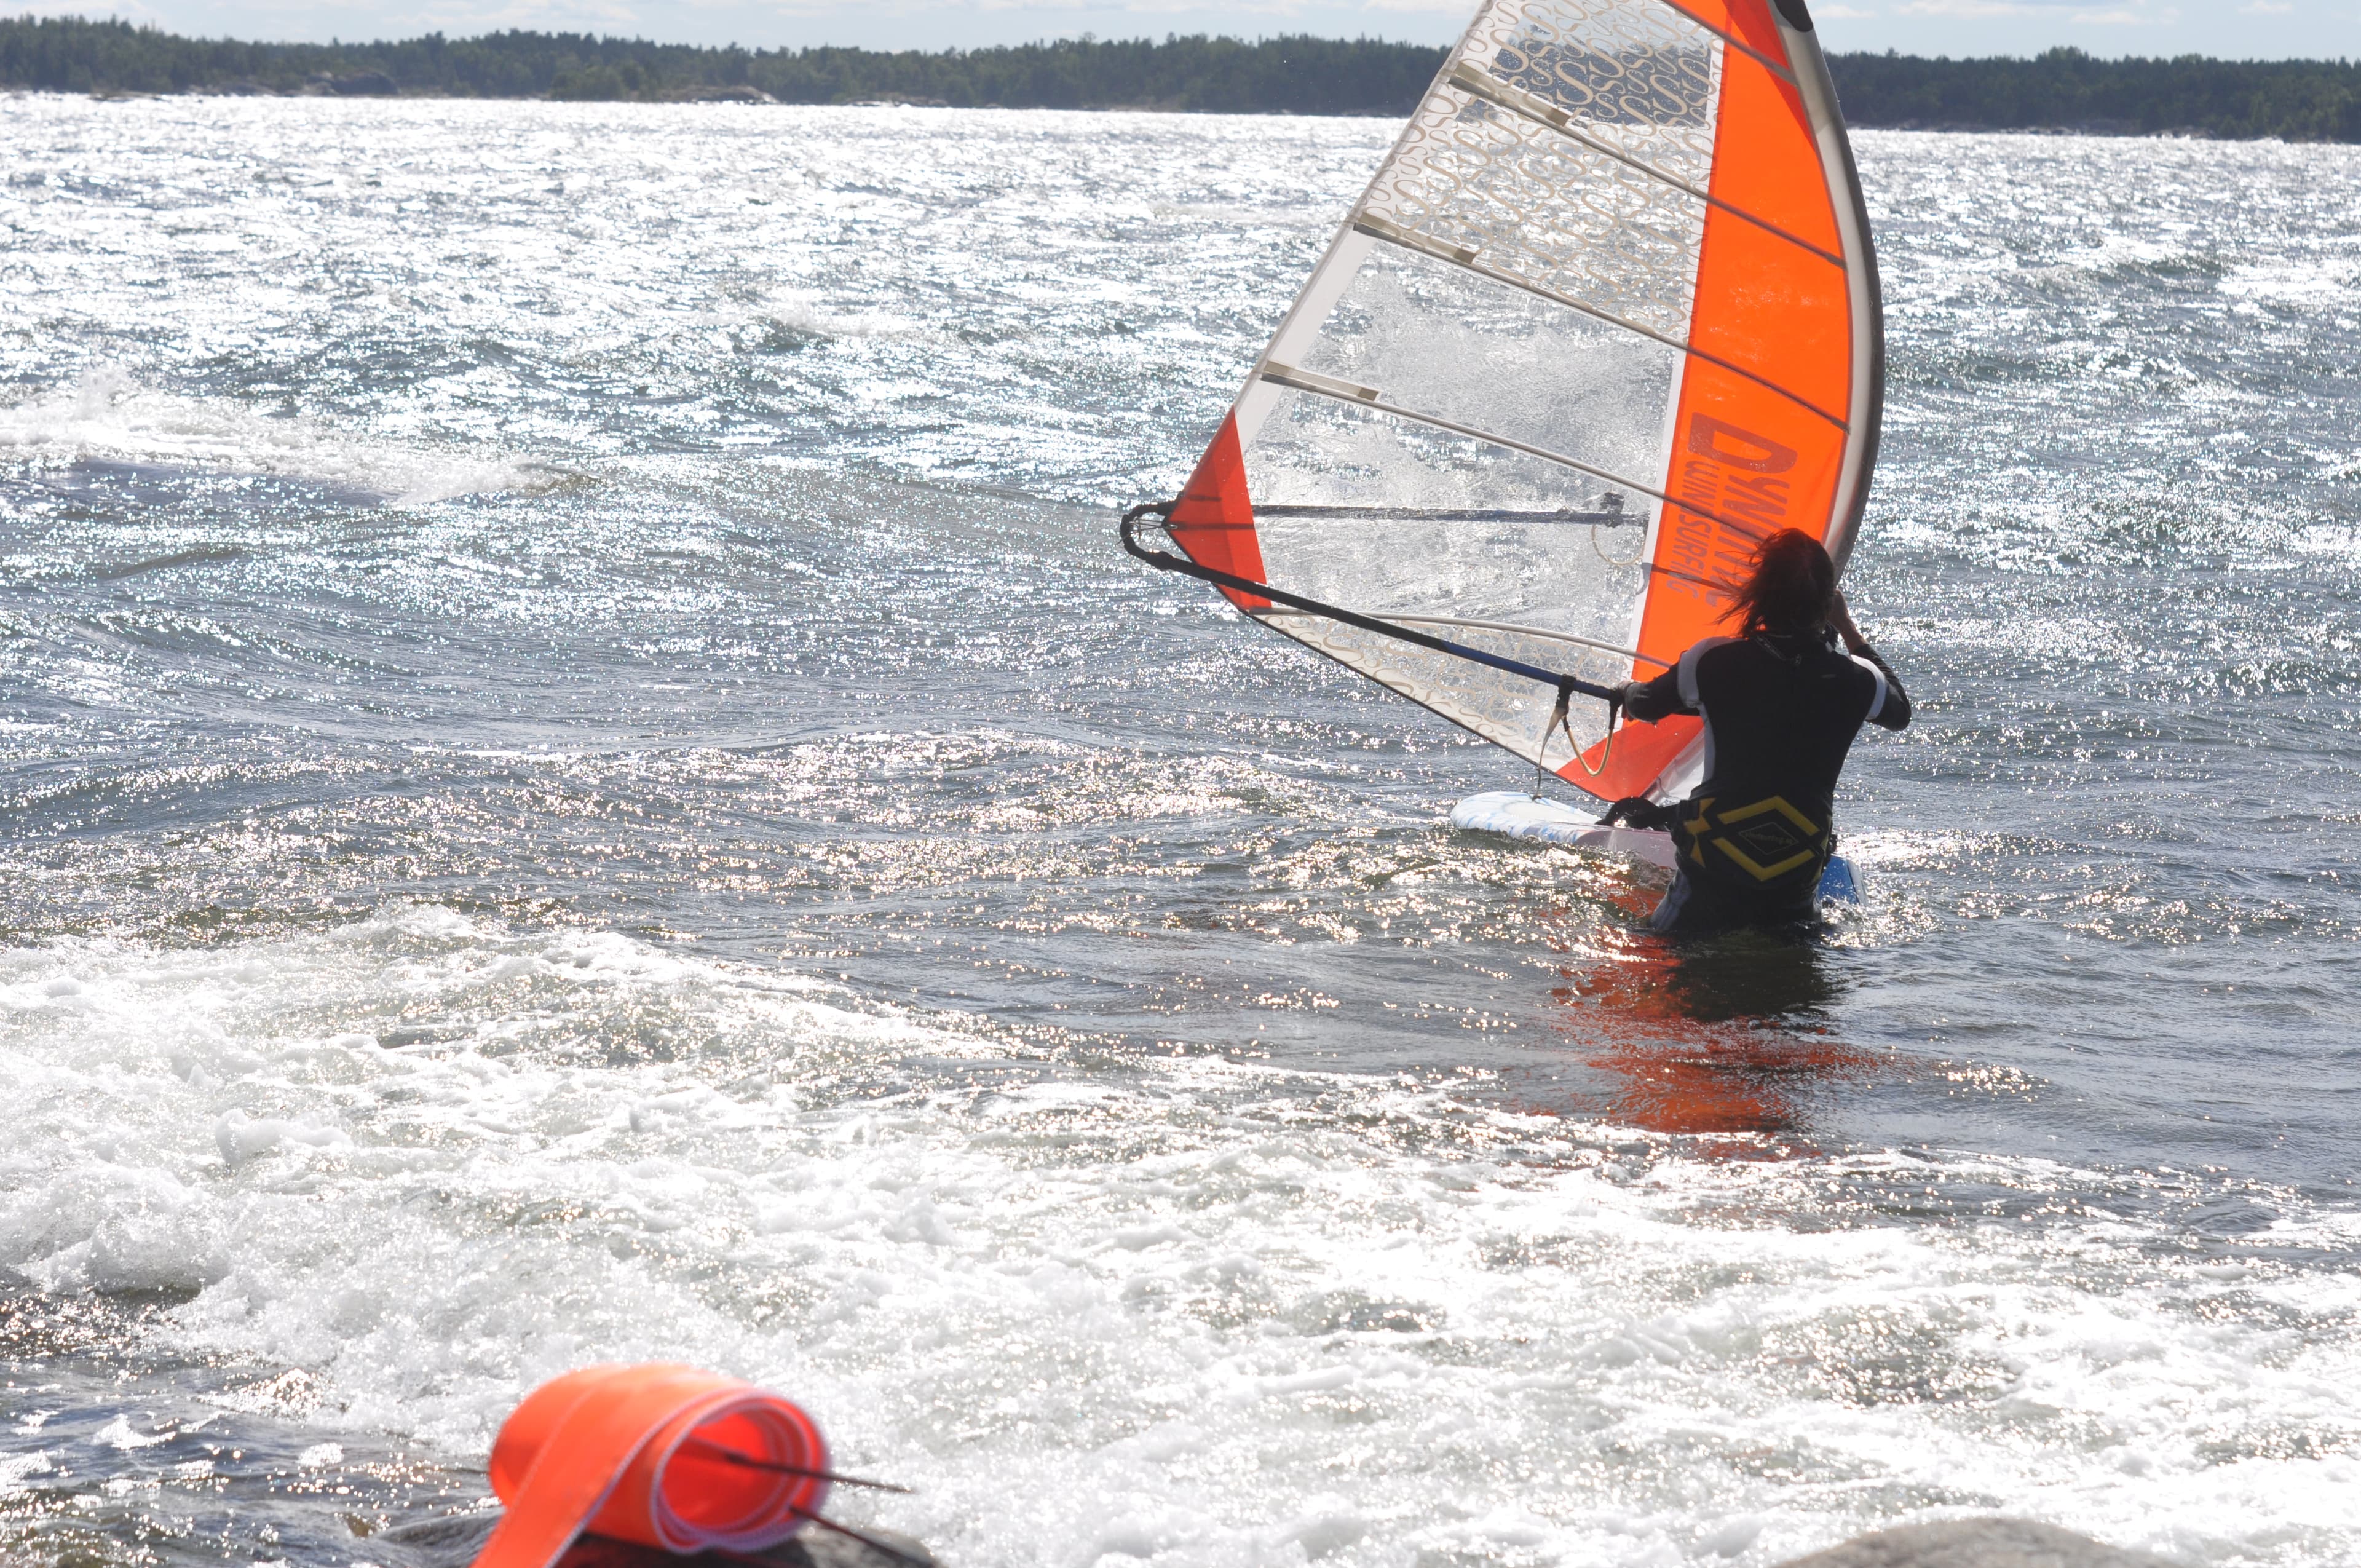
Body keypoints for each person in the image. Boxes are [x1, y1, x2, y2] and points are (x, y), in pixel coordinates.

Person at [1607, 528, 1911, 934]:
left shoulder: (1712, 662)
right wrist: (1848, 627)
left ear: (1759, 595)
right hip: (1795, 871)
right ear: (1826, 605)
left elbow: (1646, 705)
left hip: (1714, 869)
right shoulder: (1859, 682)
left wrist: (1625, 692)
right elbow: (1900, 711)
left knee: (1662, 956)